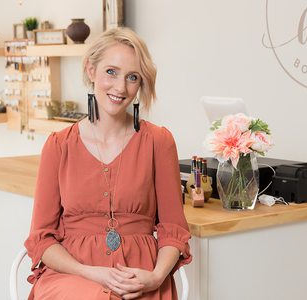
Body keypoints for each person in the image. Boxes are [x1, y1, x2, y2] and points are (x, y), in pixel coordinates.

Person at [24, 27, 192, 300]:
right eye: (111, 72)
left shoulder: (159, 142)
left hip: (139, 276)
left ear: (141, 84)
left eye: (132, 77)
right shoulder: (58, 145)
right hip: (73, 275)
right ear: (91, 71)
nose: (120, 87)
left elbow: (173, 230)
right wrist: (91, 272)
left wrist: (155, 277)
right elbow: (42, 239)